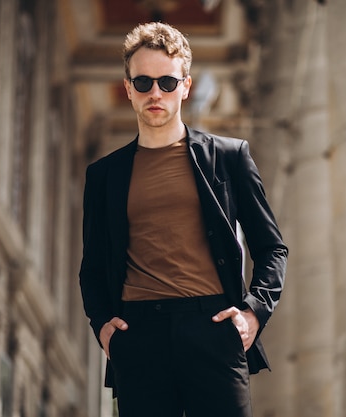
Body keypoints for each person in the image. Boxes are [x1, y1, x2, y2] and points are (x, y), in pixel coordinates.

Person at [79, 22, 288, 417]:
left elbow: (272, 247)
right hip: (138, 335)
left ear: (186, 87)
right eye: (142, 82)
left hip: (213, 328)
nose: (155, 93)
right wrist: (104, 326)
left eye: (167, 83)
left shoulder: (229, 158)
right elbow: (92, 267)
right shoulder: (103, 175)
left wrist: (254, 312)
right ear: (127, 89)